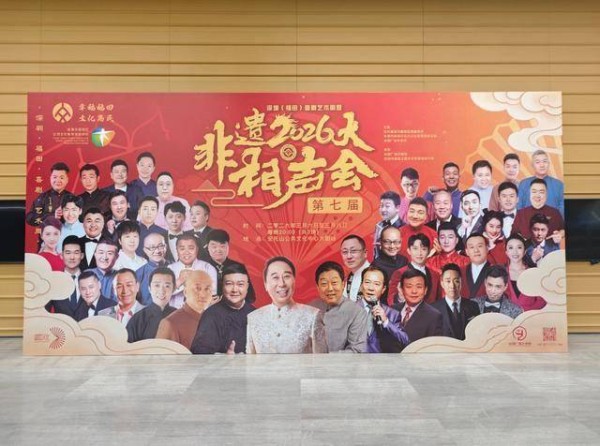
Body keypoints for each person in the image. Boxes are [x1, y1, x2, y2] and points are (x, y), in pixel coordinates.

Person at [246, 257, 328, 354]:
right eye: (275, 277)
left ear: (294, 280)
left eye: (286, 276)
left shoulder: (312, 315)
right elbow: (250, 361)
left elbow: (322, 361)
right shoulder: (253, 318)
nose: (282, 283)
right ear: (265, 284)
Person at [191, 264, 256, 354]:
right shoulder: (211, 315)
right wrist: (224, 357)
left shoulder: (254, 314)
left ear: (247, 286)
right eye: (229, 284)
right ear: (222, 286)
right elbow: (199, 352)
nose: (234, 290)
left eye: (240, 284)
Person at [308, 261, 368, 353]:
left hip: (341, 362)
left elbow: (356, 350)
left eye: (334, 282)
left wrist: (325, 358)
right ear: (318, 287)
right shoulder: (310, 308)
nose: (330, 288)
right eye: (324, 283)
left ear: (343, 284)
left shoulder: (357, 312)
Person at [156, 270, 215, 349]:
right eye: (197, 288)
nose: (203, 295)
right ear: (185, 292)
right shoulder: (169, 324)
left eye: (207, 289)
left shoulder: (214, 321)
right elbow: (158, 356)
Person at [358, 265, 409, 353]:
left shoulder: (393, 314)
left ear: (383, 289)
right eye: (367, 282)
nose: (371, 288)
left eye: (376, 284)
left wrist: (386, 322)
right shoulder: (349, 310)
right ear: (361, 285)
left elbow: (405, 341)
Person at [388, 233, 441, 305]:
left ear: (428, 251)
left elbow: (439, 301)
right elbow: (390, 300)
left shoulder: (435, 275)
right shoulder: (400, 273)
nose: (419, 253)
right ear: (409, 251)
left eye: (424, 249)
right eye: (415, 249)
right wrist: (400, 297)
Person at [127, 267, 177, 343]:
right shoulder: (138, 319)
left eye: (167, 286)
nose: (161, 291)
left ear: (173, 289)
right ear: (149, 289)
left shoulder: (180, 317)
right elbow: (128, 347)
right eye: (157, 285)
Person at [202, 229, 255, 301]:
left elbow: (250, 297)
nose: (218, 250)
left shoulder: (239, 267)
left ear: (228, 247)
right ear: (208, 247)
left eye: (222, 246)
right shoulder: (202, 268)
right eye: (214, 246)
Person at [432, 263, 480, 340]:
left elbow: (477, 334)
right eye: (448, 281)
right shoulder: (433, 309)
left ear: (461, 282)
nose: (452, 286)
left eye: (456, 281)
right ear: (442, 283)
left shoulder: (473, 306)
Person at [168, 234, 218, 306]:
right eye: (182, 249)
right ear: (177, 250)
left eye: (191, 248)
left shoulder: (208, 268)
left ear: (197, 249)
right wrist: (179, 281)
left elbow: (212, 295)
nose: (186, 252)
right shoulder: (170, 269)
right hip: (174, 311)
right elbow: (163, 294)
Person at [394, 269, 443, 343]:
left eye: (419, 287)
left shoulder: (434, 316)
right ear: (401, 289)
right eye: (409, 286)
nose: (414, 291)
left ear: (425, 290)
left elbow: (433, 347)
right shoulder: (393, 310)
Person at [45, 236, 85, 318]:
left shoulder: (91, 279)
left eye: (76, 253)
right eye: (68, 253)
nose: (72, 257)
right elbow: (45, 314)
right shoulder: (53, 282)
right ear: (61, 255)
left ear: (82, 255)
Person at [505, 234, 547, 311]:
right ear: (506, 252)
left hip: (530, 316)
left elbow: (542, 300)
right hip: (505, 316)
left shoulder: (533, 273)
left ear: (524, 251)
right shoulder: (501, 273)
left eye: (519, 247)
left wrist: (524, 312)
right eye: (511, 248)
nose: (515, 251)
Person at [518, 149, 564, 216]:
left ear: (549, 164)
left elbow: (562, 207)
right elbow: (519, 207)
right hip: (527, 221)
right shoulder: (523, 184)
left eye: (545, 161)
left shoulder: (559, 184)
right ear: (532, 165)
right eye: (538, 162)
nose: (542, 165)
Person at [26, 162, 72, 226]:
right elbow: (30, 218)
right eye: (55, 177)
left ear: (67, 180)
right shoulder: (43, 197)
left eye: (61, 178)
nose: (58, 180)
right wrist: (53, 216)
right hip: (47, 232)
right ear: (50, 178)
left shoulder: (72, 197)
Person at [136, 232, 170, 305]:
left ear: (166, 247)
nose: (157, 251)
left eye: (161, 246)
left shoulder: (176, 267)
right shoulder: (138, 274)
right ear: (145, 250)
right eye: (152, 248)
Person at [460, 233, 492, 299]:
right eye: (471, 247)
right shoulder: (460, 272)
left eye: (480, 246)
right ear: (467, 251)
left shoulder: (497, 271)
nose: (476, 250)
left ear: (487, 248)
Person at [340, 234, 370, 302]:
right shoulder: (351, 276)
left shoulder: (374, 275)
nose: (349, 256)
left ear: (365, 253)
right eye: (345, 252)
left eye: (353, 251)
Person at [373, 191, 403, 258]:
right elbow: (375, 250)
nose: (383, 210)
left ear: (397, 208)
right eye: (381, 206)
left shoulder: (404, 227)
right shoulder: (379, 225)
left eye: (387, 206)